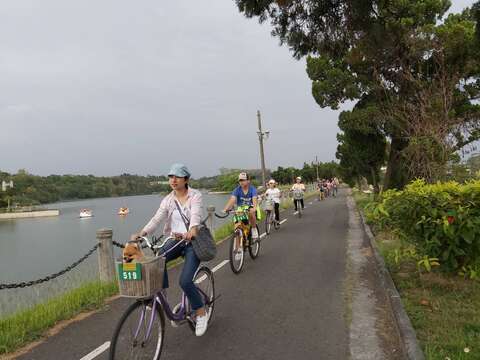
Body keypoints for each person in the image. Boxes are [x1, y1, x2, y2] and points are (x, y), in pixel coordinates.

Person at [130, 163, 209, 337]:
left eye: (177, 176)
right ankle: (161, 296)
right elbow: (157, 218)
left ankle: (201, 312)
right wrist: (142, 232)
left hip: (192, 242)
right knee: (157, 262)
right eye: (170, 177)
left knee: (186, 281)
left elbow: (195, 214)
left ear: (186, 179)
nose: (173, 180)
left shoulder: (195, 195)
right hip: (174, 240)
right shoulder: (168, 199)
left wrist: (193, 229)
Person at [222, 172, 259, 240]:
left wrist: (254, 208)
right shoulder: (237, 190)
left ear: (248, 181)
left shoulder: (253, 189)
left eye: (243, 180)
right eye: (240, 180)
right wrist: (226, 208)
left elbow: (254, 199)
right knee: (237, 228)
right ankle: (239, 249)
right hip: (240, 210)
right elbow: (232, 200)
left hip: (250, 208)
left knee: (251, 212)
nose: (241, 182)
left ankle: (254, 229)